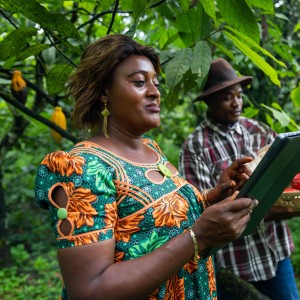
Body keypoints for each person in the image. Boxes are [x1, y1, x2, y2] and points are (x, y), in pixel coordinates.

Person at [34, 35, 256, 300]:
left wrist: (210, 197)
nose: (155, 92)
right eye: (140, 82)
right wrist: (198, 237)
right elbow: (89, 289)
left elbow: (155, 221)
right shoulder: (81, 169)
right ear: (104, 92)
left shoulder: (152, 149)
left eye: (156, 82)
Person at [179, 58, 300, 300]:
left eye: (239, 95)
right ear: (209, 101)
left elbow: (284, 180)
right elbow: (200, 208)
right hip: (234, 261)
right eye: (226, 97)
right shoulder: (196, 147)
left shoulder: (259, 131)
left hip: (274, 254)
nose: (236, 103)